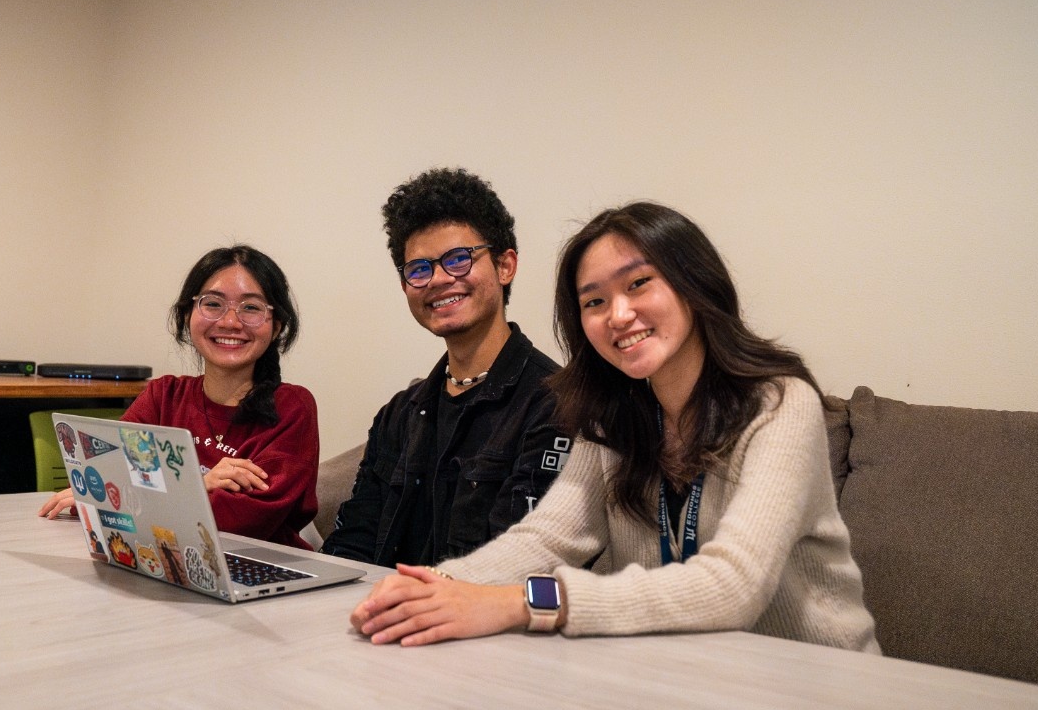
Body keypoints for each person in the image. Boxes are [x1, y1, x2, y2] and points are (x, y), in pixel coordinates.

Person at [350, 202, 880, 652]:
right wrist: (438, 587)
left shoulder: (780, 402)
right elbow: (549, 536)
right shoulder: (610, 417)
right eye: (594, 302)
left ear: (694, 284)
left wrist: (520, 602)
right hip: (689, 677)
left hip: (814, 686)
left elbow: (735, 585)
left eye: (639, 284)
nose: (619, 314)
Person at [321, 167, 570, 567]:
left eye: (457, 259)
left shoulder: (556, 405)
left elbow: (522, 560)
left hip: (482, 621)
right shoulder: (399, 414)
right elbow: (354, 542)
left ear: (505, 266)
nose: (437, 279)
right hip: (382, 615)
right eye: (419, 269)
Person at [39, 245, 319, 550]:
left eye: (251, 308)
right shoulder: (164, 395)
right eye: (213, 304)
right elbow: (106, 477)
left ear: (276, 325)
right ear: (188, 314)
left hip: (257, 566)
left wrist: (154, 491)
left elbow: (242, 521)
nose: (230, 322)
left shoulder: (292, 408)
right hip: (156, 556)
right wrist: (201, 485)